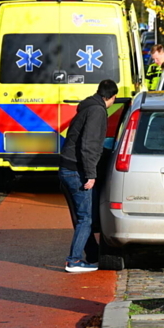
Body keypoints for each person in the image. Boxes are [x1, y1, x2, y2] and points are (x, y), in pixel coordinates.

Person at [58, 79, 119, 273]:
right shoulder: (97, 111)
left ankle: (92, 255)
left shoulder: (87, 107)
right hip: (77, 170)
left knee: (84, 216)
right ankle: (74, 260)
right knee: (86, 218)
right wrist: (91, 175)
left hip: (68, 167)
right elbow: (89, 145)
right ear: (111, 97)